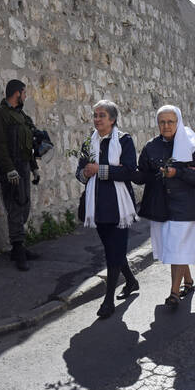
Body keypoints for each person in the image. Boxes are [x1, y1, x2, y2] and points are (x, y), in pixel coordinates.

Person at [131, 105, 195, 308]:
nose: (166, 126)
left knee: (177, 248)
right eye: (162, 122)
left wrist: (178, 173)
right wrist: (126, 171)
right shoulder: (151, 146)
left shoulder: (190, 145)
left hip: (185, 205)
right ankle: (188, 281)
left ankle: (174, 293)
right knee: (173, 249)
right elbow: (143, 174)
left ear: (178, 122)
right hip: (161, 205)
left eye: (170, 121)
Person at [75, 100, 139, 318]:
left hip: (118, 206)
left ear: (112, 119)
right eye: (95, 115)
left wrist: (100, 170)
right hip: (97, 206)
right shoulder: (88, 142)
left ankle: (108, 300)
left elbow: (129, 171)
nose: (97, 119)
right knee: (114, 249)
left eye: (101, 115)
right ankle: (131, 281)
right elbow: (79, 173)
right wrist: (86, 173)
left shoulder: (124, 140)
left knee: (114, 251)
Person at [0, 80, 41, 271]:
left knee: (24, 206)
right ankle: (17, 249)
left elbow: (29, 145)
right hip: (12, 168)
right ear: (17, 93)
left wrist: (34, 167)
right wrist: (9, 168)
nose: (25, 96)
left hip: (24, 166)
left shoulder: (21, 116)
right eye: (24, 93)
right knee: (16, 206)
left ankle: (20, 246)